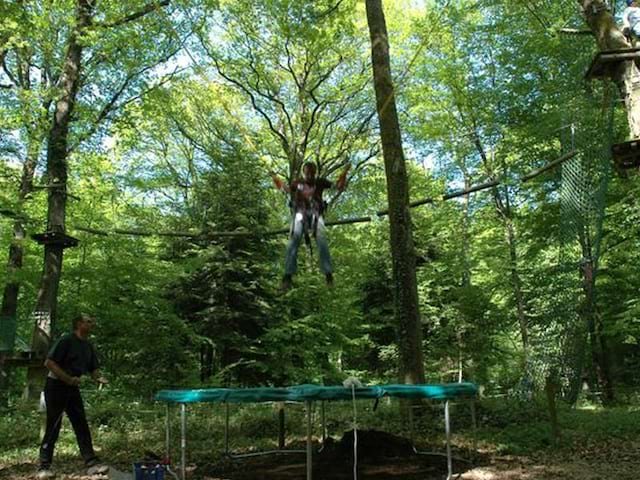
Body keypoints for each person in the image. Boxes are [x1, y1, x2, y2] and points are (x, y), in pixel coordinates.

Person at [36, 313, 108, 479]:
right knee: (54, 424)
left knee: (80, 422)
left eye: (92, 321)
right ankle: (44, 466)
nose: (92, 324)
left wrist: (99, 377)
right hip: (56, 386)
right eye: (88, 321)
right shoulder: (66, 340)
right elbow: (49, 363)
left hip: (72, 387)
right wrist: (67, 379)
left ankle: (91, 462)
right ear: (78, 324)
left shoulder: (87, 345)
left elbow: (93, 368)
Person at [271, 161, 350, 291]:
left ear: (315, 173)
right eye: (307, 172)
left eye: (312, 172)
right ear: (304, 172)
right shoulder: (297, 183)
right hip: (300, 214)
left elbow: (338, 187)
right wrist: (276, 179)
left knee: (322, 241)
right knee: (293, 242)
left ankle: (328, 275)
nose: (309, 175)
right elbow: (285, 189)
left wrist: (344, 173)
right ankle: (287, 277)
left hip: (315, 215)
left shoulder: (320, 182)